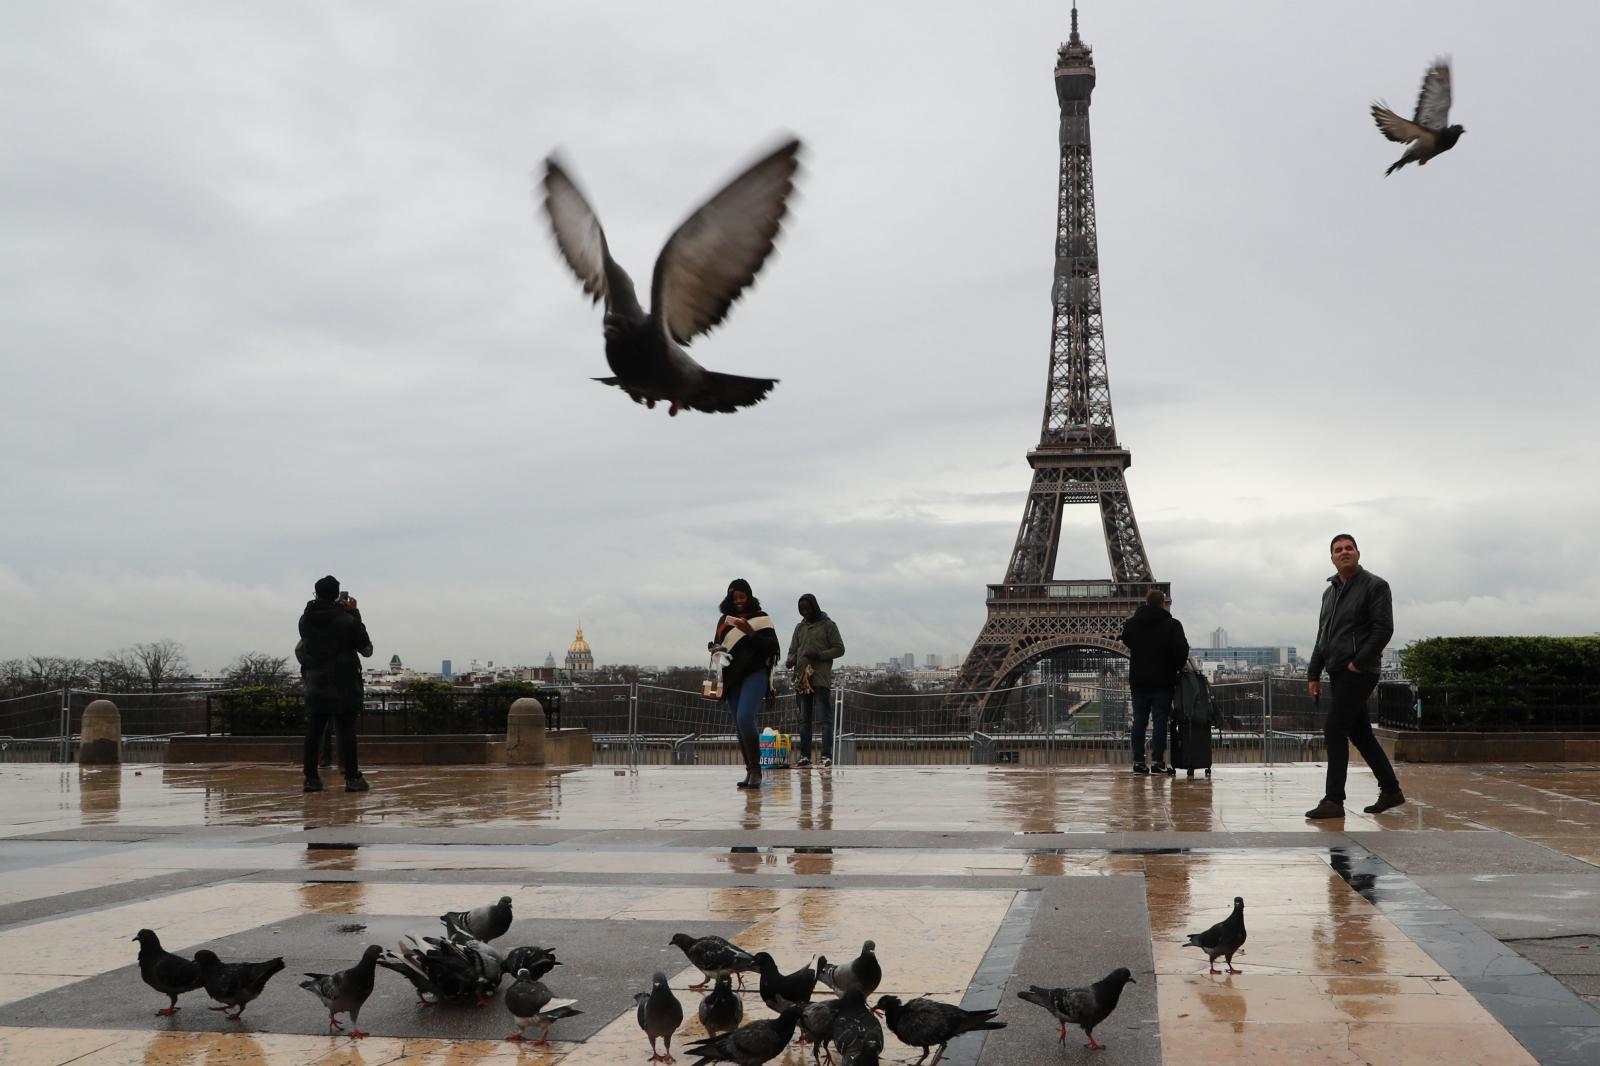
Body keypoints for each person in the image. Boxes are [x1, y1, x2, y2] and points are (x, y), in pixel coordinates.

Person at [1305, 535, 1405, 819]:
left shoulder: (1375, 585)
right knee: (1359, 733)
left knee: (1334, 730)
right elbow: (1323, 636)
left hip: (1358, 671)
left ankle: (1334, 800)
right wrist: (1313, 672)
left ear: (1358, 553)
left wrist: (1358, 664)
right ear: (1332, 558)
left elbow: (1384, 629)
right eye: (1338, 550)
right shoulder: (1330, 592)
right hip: (1338, 670)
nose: (1344, 552)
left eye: (1348, 548)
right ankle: (1391, 790)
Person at [297, 575, 373, 793]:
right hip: (344, 682)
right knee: (346, 731)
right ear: (337, 595)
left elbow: (305, 648)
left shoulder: (304, 620)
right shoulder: (346, 620)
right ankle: (352, 777)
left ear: (316, 594)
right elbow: (366, 649)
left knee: (314, 731)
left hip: (316, 682)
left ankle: (311, 778)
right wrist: (354, 613)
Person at [710, 578, 781, 790]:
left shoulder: (762, 619)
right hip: (732, 675)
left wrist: (749, 631)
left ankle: (757, 770)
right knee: (739, 725)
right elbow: (720, 643)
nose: (739, 601)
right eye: (735, 598)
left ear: (749, 597)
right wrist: (716, 650)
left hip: (755, 672)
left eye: (742, 597)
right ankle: (750, 769)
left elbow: (772, 648)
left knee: (745, 717)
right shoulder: (724, 620)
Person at [1119, 587, 1189, 775]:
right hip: (1163, 682)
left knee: (1139, 722)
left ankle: (1138, 762)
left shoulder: (1132, 624)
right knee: (1160, 723)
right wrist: (1173, 666)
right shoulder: (1172, 625)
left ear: (1146, 602)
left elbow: (1126, 639)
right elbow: (1181, 651)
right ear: (1163, 603)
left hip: (1139, 681)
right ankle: (1158, 762)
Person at [785, 593, 845, 768]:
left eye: (807, 608)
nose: (805, 613)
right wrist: (791, 660)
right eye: (801, 610)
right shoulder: (799, 628)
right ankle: (805, 756)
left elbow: (839, 649)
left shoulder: (828, 625)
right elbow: (792, 649)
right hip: (801, 679)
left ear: (814, 606)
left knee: (824, 719)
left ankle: (826, 756)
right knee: (804, 719)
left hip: (819, 678)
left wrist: (819, 655)